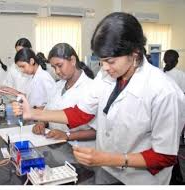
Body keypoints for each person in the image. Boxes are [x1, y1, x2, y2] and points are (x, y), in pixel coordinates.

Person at [12, 12, 185, 184]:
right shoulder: (106, 76)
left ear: (135, 53)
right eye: (102, 61)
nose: (105, 67)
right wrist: (34, 113)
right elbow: (79, 114)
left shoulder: (164, 92)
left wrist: (110, 159)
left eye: (110, 61)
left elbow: (164, 156)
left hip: (139, 179)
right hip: (106, 170)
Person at [32, 43, 96, 147]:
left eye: (60, 65)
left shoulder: (91, 88)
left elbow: (97, 131)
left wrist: (67, 135)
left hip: (78, 149)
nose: (57, 71)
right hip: (54, 144)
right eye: (53, 67)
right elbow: (48, 112)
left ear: (73, 60)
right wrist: (41, 123)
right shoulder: (57, 86)